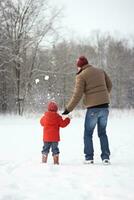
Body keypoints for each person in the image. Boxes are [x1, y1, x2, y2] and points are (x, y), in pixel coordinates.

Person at [62, 56, 112, 165]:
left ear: (80, 67)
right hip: (104, 107)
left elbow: (77, 95)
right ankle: (106, 157)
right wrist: (103, 96)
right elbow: (110, 85)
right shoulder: (100, 71)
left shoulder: (81, 76)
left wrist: (67, 109)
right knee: (102, 133)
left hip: (93, 109)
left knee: (88, 134)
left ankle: (89, 158)